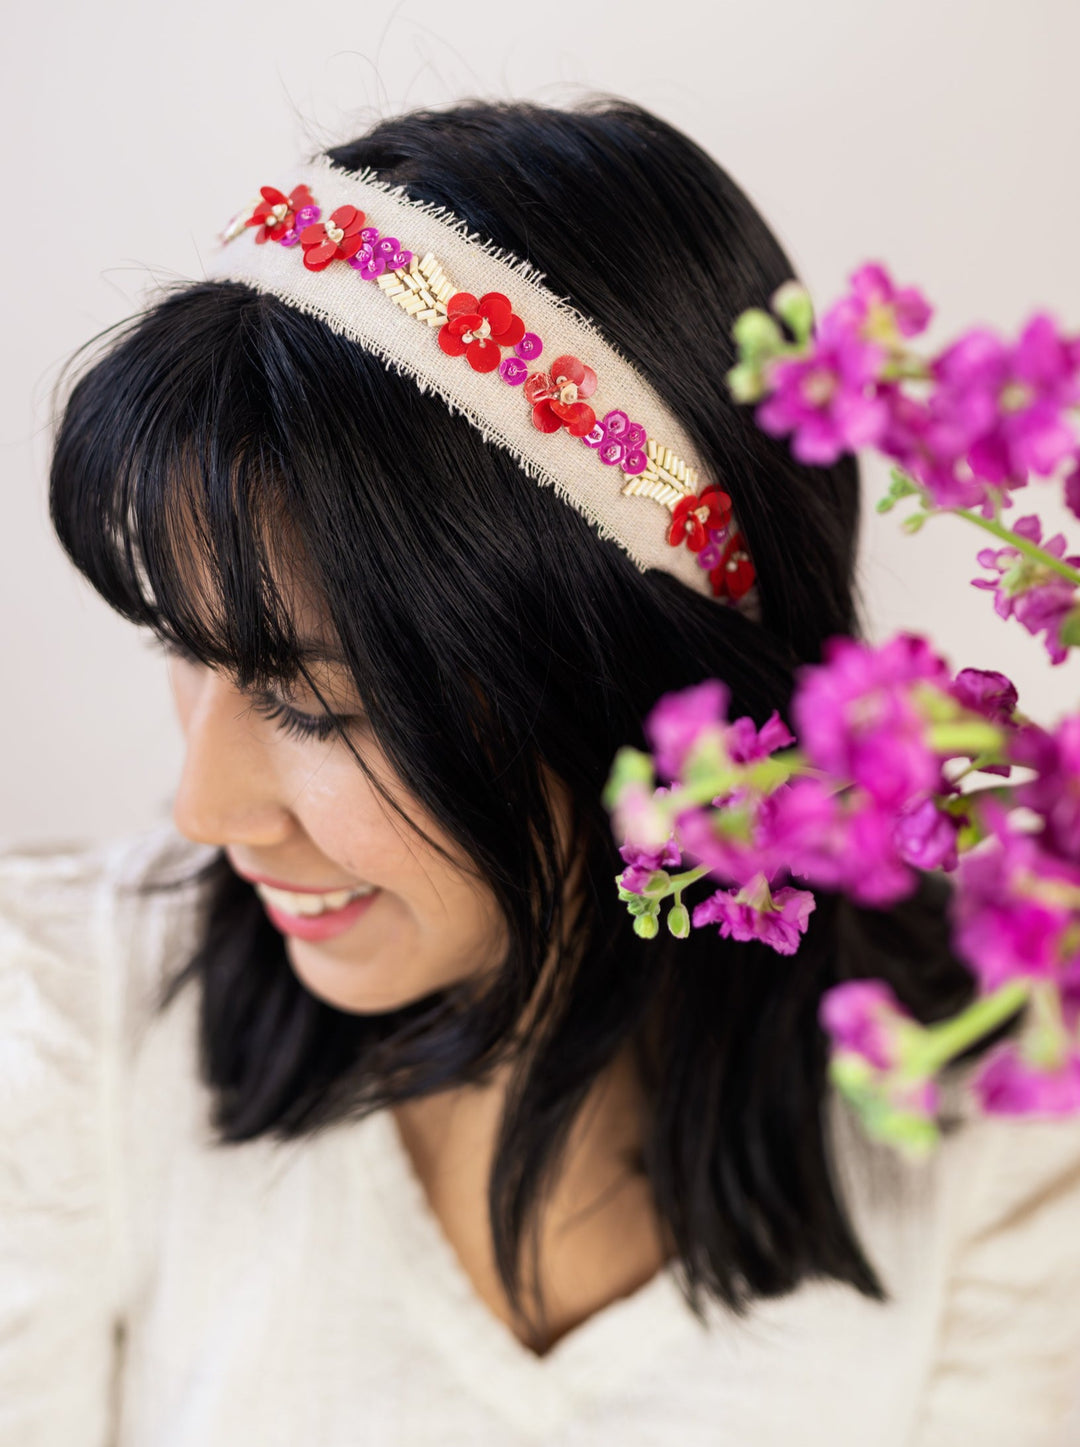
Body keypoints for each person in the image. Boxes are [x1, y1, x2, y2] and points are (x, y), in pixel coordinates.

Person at [3, 94, 1080, 1446]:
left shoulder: (987, 1138)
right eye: (184, 651)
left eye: (314, 708)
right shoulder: (73, 1032)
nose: (204, 809)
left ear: (630, 690)